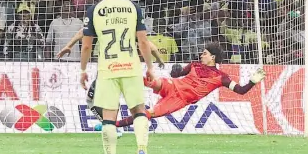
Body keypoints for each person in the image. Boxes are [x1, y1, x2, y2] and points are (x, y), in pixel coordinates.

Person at [80, 0, 155, 154]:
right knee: (139, 111)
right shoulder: (133, 8)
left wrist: (83, 69)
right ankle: (142, 152)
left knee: (109, 118)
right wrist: (149, 67)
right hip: (131, 66)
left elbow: (86, 46)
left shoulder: (94, 10)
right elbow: (143, 42)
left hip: (108, 69)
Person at [100, 43, 265, 129]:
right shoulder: (194, 65)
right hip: (173, 86)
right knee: (152, 81)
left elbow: (241, 91)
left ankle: (113, 125)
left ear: (213, 57)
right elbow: (176, 74)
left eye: (205, 53)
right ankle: (119, 75)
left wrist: (253, 81)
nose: (201, 55)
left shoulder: (222, 78)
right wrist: (175, 70)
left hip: (180, 100)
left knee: (148, 113)